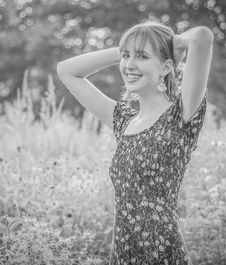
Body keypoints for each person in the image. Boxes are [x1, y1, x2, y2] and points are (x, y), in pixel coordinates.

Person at [57, 20, 213, 265]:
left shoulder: (181, 115)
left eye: (141, 57)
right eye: (126, 57)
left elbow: (202, 36)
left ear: (166, 66)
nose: (129, 65)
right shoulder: (124, 121)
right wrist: (124, 48)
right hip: (123, 253)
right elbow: (66, 70)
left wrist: (176, 44)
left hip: (162, 253)